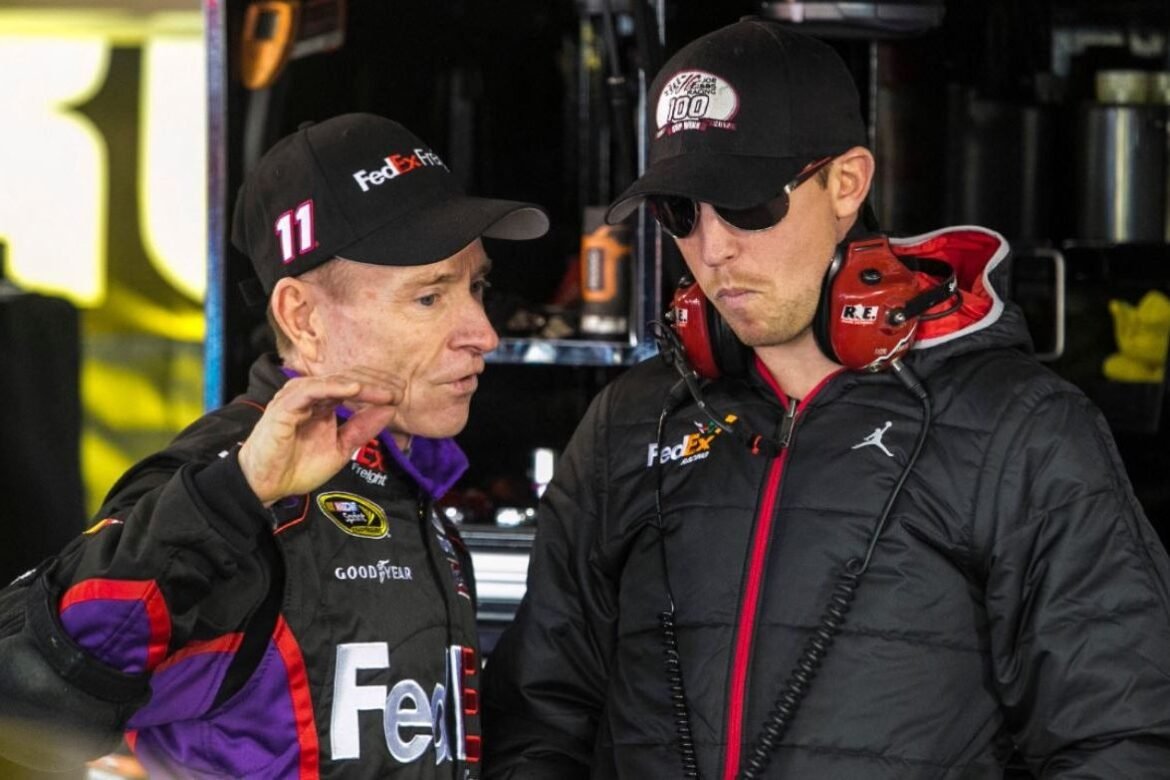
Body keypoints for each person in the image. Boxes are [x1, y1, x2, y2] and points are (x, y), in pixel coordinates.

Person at [482, 18, 1170, 779]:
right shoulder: (629, 423)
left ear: (846, 183)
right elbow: (537, 722)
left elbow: (1123, 740)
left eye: (746, 204)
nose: (713, 248)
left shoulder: (1022, 430)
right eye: (680, 212)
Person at [0, 112, 548, 778]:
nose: (483, 333)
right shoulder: (231, 481)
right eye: (430, 297)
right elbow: (26, 693)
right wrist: (230, 497)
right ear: (302, 316)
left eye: (476, 286)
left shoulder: (399, 473)